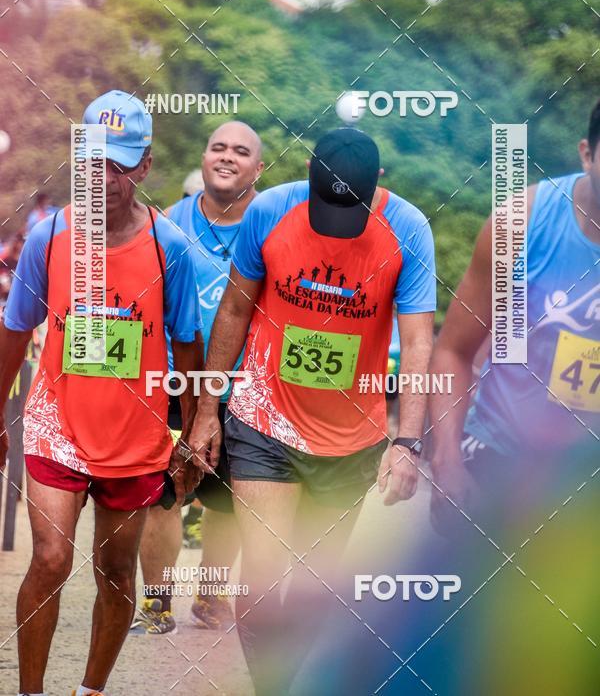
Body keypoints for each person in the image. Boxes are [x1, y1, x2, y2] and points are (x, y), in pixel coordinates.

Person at [189, 126, 436, 694]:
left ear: (378, 182)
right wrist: (208, 410)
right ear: (307, 172)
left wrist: (407, 442)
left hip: (351, 434)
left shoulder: (408, 229)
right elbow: (232, 311)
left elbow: (419, 342)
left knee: (316, 586)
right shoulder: (270, 212)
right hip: (263, 416)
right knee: (263, 575)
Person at [0, 90, 202, 696]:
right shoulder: (50, 236)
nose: (106, 178)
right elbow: (15, 333)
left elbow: (188, 349)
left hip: (134, 434)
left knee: (115, 570)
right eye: (94, 162)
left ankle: (90, 690)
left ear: (143, 166)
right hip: (57, 424)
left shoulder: (171, 248)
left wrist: (191, 438)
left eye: (120, 164)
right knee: (52, 559)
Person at [429, 99, 600, 536]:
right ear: (586, 153)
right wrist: (447, 461)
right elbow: (453, 351)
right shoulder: (519, 223)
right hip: (497, 456)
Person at [131, 120, 264, 635]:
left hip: (244, 386)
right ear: (204, 159)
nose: (227, 157)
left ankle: (210, 597)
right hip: (173, 380)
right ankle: (157, 605)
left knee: (225, 503)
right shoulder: (166, 225)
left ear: (258, 167)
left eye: (240, 151)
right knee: (165, 495)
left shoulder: (272, 224)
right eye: (217, 148)